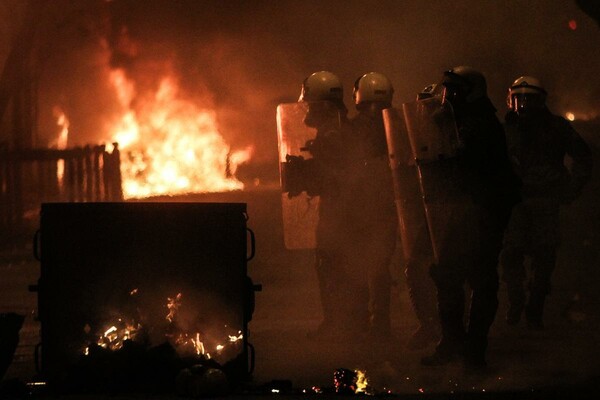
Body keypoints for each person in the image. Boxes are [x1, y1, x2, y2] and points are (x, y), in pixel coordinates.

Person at [420, 66, 521, 368]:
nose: (448, 96)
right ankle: (452, 342)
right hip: (461, 210)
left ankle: (474, 350)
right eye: (447, 90)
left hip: (484, 211)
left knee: (481, 278)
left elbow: (464, 165)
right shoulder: (459, 120)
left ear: (471, 92)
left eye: (454, 90)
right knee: (447, 275)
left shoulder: (480, 124)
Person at [500, 76, 593, 329]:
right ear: (511, 100)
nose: (523, 104)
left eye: (529, 98)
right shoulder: (505, 130)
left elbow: (584, 158)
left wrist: (570, 190)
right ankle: (517, 299)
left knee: (544, 255)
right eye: (519, 98)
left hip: (545, 200)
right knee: (511, 253)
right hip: (516, 201)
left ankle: (535, 306)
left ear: (540, 101)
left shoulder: (556, 128)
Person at [295, 71, 357, 338]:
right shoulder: (339, 127)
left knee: (333, 267)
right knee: (336, 266)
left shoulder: (334, 133)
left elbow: (335, 176)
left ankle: (339, 324)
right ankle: (343, 322)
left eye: (310, 103)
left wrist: (305, 175)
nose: (306, 109)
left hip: (340, 214)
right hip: (342, 212)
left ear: (320, 105)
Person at [346, 72, 398, 339]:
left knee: (360, 265)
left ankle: (362, 322)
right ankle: (380, 323)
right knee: (379, 267)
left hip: (361, 207)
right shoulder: (397, 125)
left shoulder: (351, 128)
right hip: (387, 206)